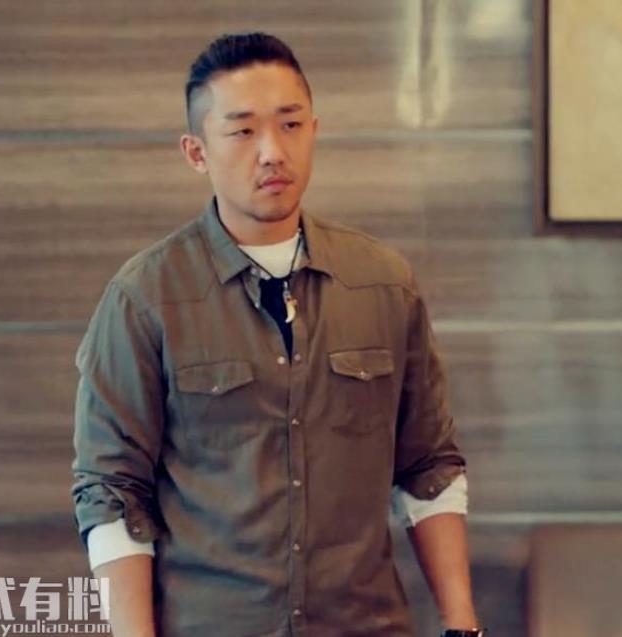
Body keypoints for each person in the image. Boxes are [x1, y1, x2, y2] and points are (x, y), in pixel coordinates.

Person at [71, 32, 485, 637]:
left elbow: (429, 466)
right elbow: (111, 491)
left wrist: (462, 624)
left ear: (314, 130)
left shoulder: (382, 283)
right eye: (242, 131)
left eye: (290, 125)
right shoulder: (145, 297)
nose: (272, 152)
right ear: (196, 152)